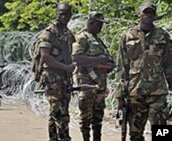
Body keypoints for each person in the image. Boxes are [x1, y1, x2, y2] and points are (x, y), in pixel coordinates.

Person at [115, 1, 172, 141]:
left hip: (157, 91)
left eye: (151, 12)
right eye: (145, 12)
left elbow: (169, 64)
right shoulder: (127, 36)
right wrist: (120, 94)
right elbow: (122, 67)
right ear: (139, 14)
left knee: (162, 132)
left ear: (155, 15)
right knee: (135, 134)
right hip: (135, 92)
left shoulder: (163, 36)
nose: (148, 15)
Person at [35, 3, 75, 141]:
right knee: (58, 110)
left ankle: (53, 138)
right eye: (61, 13)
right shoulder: (49, 33)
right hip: (52, 77)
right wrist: (65, 67)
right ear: (56, 13)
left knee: (60, 109)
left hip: (64, 78)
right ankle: (64, 138)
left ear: (70, 15)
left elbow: (71, 55)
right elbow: (45, 56)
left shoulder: (68, 34)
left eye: (66, 14)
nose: (64, 17)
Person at [72, 12, 114, 141]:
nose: (101, 26)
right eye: (98, 23)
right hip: (87, 83)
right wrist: (97, 60)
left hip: (100, 83)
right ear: (90, 22)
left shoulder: (97, 39)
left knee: (98, 116)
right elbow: (76, 58)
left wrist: (109, 65)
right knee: (86, 117)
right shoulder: (82, 37)